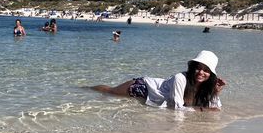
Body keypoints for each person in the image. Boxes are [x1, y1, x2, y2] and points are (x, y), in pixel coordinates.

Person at [91, 50, 226, 111]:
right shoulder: (181, 78)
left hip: (156, 90)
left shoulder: (208, 85)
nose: (201, 73)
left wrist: (215, 93)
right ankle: (85, 89)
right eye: (198, 68)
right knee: (108, 91)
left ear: (211, 74)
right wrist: (200, 110)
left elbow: (216, 109)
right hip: (143, 87)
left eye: (206, 70)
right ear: (193, 68)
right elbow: (176, 107)